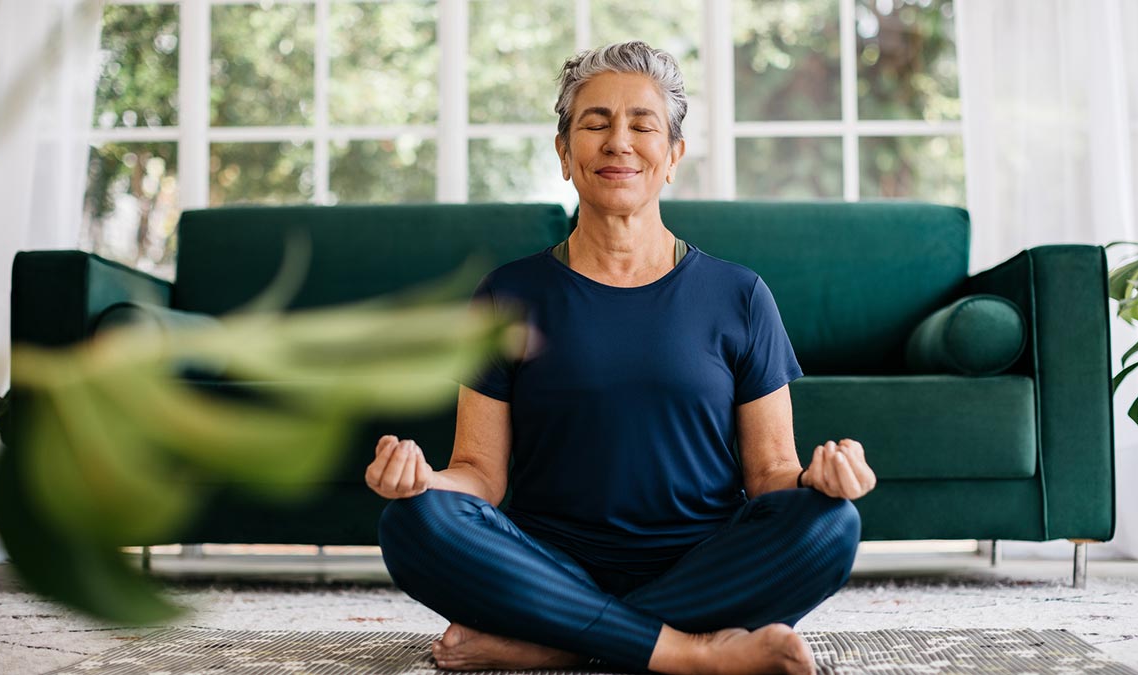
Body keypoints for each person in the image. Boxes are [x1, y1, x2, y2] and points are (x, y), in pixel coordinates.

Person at [365, 41, 876, 675]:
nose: (619, 142)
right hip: (547, 561)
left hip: (702, 563)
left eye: (643, 125)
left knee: (831, 525)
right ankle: (687, 651)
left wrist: (822, 480)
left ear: (673, 156)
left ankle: (558, 642)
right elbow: (479, 474)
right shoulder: (508, 293)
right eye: (596, 123)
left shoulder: (739, 294)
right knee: (413, 522)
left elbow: (772, 473)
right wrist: (424, 483)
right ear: (563, 152)